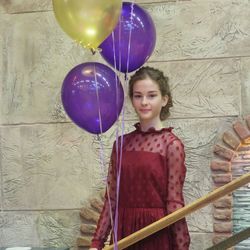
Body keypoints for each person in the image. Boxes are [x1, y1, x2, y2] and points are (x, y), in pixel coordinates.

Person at [89, 66, 190, 250]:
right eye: (138, 96)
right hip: (124, 232)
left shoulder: (171, 145)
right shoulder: (120, 144)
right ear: (132, 100)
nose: (144, 102)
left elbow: (175, 203)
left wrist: (181, 246)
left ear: (164, 99)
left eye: (151, 95)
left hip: (156, 233)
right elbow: (112, 199)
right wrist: (97, 243)